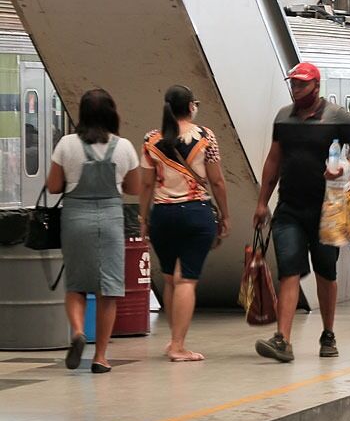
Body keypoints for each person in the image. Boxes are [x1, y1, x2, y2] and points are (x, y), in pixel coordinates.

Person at [253, 62, 350, 362]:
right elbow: (274, 160)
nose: (296, 90)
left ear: (316, 87)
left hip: (328, 211)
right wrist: (261, 202)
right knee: (289, 271)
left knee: (325, 272)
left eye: (301, 85)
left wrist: (346, 166)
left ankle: (328, 333)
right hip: (289, 209)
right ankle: (283, 339)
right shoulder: (283, 117)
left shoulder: (337, 117)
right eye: (293, 84)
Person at [46, 89, 142, 373]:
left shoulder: (66, 144)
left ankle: (77, 332)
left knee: (76, 285)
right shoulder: (124, 147)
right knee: (108, 290)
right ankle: (101, 357)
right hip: (111, 220)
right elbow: (134, 189)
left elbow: (53, 187)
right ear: (112, 113)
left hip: (76, 219)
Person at [138, 85, 230, 362]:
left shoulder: (151, 139)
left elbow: (146, 183)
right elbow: (216, 181)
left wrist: (143, 218)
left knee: (169, 277)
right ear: (191, 106)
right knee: (187, 280)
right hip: (196, 213)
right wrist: (225, 215)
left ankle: (173, 340)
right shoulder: (206, 137)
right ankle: (179, 345)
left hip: (162, 215)